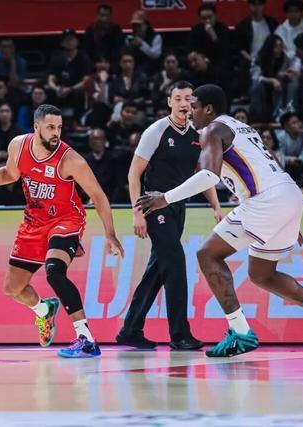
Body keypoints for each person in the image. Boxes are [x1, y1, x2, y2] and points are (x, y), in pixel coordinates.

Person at [137, 84, 303, 356]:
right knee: (263, 274)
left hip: (266, 200)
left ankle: (240, 333)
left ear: (209, 109)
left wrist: (165, 198)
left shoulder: (212, 130)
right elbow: (273, 164)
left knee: (207, 255)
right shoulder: (242, 128)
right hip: (288, 194)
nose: (190, 112)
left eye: (194, 106)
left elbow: (209, 176)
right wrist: (288, 217)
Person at [0, 104, 124, 358]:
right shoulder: (18, 146)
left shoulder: (71, 160)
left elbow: (98, 196)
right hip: (34, 222)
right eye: (50, 127)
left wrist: (110, 234)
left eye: (59, 127)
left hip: (66, 219)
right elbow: (8, 174)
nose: (56, 133)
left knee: (54, 272)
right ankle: (44, 311)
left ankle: (86, 339)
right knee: (12, 288)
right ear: (36, 126)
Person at [118, 81, 223, 350]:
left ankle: (130, 330)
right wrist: (137, 213)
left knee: (158, 269)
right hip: (154, 205)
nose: (184, 103)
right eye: (178, 98)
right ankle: (180, 335)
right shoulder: (156, 131)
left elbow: (203, 174)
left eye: (189, 99)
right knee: (175, 265)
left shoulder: (198, 134)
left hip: (178, 207)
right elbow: (133, 173)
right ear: (169, 102)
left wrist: (215, 205)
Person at [47, 29, 93, 119]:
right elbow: (50, 79)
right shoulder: (57, 58)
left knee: (79, 94)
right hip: (60, 89)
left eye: (72, 39)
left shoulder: (83, 58)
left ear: (77, 42)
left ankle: (78, 120)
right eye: (67, 39)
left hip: (76, 89)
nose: (70, 42)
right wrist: (56, 89)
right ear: (62, 43)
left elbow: (86, 80)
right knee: (49, 92)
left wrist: (70, 89)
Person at [249, 35, 290, 123]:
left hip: (277, 84)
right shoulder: (260, 57)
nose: (279, 49)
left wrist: (283, 75)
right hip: (263, 83)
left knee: (284, 86)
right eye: (276, 46)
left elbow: (284, 71)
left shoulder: (284, 58)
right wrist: (272, 80)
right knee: (257, 86)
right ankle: (257, 115)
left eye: (281, 46)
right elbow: (255, 76)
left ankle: (278, 115)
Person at [125, 10, 162, 74]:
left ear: (146, 25)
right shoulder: (130, 38)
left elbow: (155, 55)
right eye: (135, 26)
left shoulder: (156, 37)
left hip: (153, 69)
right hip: (134, 69)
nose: (136, 28)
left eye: (139, 25)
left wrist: (142, 44)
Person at [0, 103, 20, 169]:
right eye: (2, 111)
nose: (4, 114)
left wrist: (7, 155)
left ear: (11, 114)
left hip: (13, 162)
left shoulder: (18, 131)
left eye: (7, 111)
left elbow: (19, 152)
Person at [277, 112, 303, 179]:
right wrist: (289, 159)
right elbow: (280, 155)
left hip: (300, 164)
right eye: (294, 123)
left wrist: (298, 160)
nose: (299, 124)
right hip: (285, 165)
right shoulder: (281, 137)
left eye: (299, 122)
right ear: (286, 127)